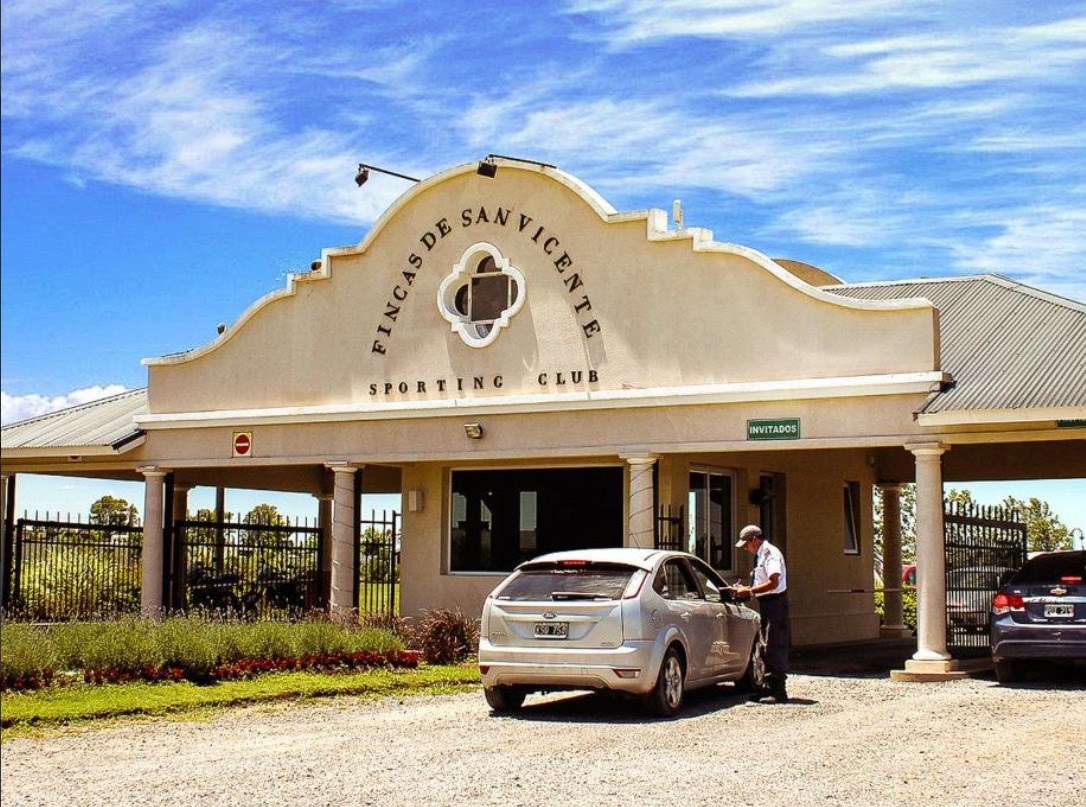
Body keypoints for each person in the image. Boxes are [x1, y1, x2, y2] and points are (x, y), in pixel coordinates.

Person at [733, 524, 790, 703]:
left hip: (776, 603)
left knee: (774, 645)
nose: (746, 549)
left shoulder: (769, 554)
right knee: (766, 645)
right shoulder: (761, 555)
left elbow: (773, 581)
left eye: (746, 545)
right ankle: (768, 686)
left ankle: (779, 690)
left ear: (754, 540)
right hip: (767, 603)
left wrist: (749, 592)